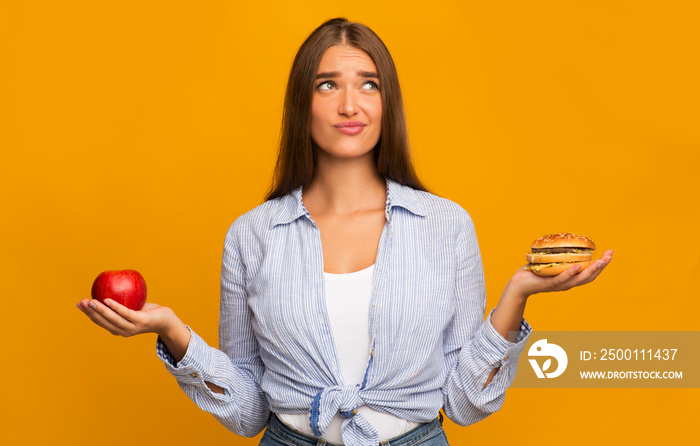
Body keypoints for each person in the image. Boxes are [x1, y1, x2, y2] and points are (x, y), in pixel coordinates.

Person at [77, 17, 613, 446]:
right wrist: (174, 333)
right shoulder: (252, 235)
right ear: (301, 104)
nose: (350, 105)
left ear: (387, 103)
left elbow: (466, 404)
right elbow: (246, 413)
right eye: (327, 84)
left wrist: (516, 296)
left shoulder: (445, 226)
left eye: (368, 85)